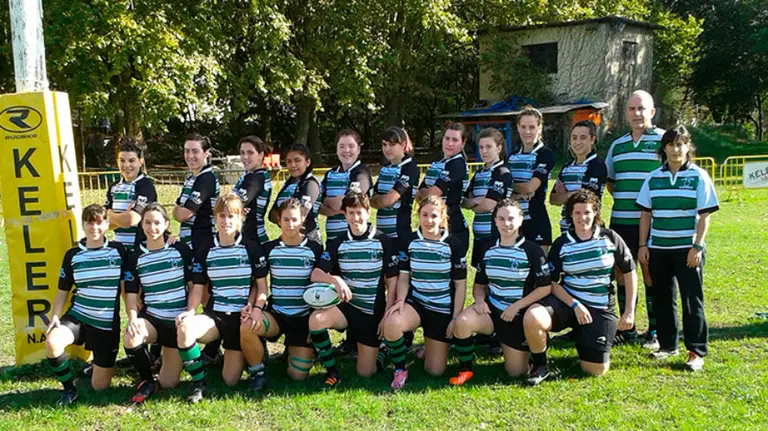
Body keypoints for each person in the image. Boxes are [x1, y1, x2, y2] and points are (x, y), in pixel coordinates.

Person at [523, 190, 637, 385]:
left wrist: (629, 312)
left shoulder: (610, 238)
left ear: (595, 214)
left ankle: (585, 336)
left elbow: (629, 272)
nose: (582, 218)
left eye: (587, 213)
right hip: (568, 302)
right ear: (570, 214)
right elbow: (552, 283)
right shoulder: (562, 244)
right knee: (533, 317)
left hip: (599, 307)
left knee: (595, 371)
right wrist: (575, 304)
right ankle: (540, 365)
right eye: (577, 213)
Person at [636, 125, 719, 372]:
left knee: (692, 300)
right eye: (671, 144)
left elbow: (704, 216)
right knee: (663, 298)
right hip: (659, 248)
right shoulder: (653, 177)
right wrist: (643, 245)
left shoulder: (699, 176)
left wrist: (698, 246)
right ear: (664, 148)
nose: (675, 149)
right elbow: (645, 214)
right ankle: (667, 345)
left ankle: (696, 351)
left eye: (680, 144)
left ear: (688, 147)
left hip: (687, 249)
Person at [448, 199, 551, 385]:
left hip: (517, 315)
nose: (506, 223)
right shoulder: (486, 248)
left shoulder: (532, 250)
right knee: (462, 322)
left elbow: (545, 287)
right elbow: (480, 284)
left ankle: (528, 344)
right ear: (495, 221)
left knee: (515, 372)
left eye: (511, 218)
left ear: (520, 220)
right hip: (492, 311)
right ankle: (465, 369)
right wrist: (479, 300)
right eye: (501, 219)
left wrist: (517, 306)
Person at [175, 195, 264, 403]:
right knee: (185, 328)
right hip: (215, 316)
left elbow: (261, 286)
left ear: (240, 217)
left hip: (241, 318)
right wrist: (190, 311)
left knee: (230, 380)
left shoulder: (251, 247)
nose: (226, 221)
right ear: (215, 217)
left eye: (231, 216)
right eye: (222, 216)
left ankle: (254, 361)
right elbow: (198, 287)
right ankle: (199, 383)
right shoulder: (206, 248)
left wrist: (254, 305)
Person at [45, 204, 134, 406]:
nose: (94, 227)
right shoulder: (73, 254)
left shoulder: (118, 250)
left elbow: (126, 288)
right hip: (79, 316)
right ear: (83, 225)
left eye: (99, 222)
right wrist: (56, 317)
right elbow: (62, 291)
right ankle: (69, 389)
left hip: (105, 324)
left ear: (107, 224)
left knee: (100, 388)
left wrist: (131, 316)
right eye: (89, 222)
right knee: (52, 342)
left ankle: (97, 367)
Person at [309, 191, 399, 388]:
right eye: (350, 212)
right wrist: (335, 279)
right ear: (344, 213)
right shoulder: (338, 242)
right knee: (316, 320)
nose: (355, 218)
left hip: (370, 311)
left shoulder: (383, 241)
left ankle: (382, 352)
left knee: (366, 373)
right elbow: (315, 274)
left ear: (368, 212)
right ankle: (332, 371)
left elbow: (392, 281)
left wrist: (387, 313)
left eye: (359, 212)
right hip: (346, 307)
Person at [380, 195, 468, 390]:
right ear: (418, 216)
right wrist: (401, 299)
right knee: (391, 324)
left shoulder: (453, 244)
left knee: (435, 371)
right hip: (417, 303)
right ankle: (400, 369)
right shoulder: (410, 241)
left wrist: (454, 318)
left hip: (441, 309)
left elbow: (461, 285)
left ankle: (429, 348)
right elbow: (404, 276)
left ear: (443, 217)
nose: (429, 220)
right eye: (424, 215)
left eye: (434, 216)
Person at [239, 198, 326, 390]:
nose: (290, 224)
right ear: (279, 220)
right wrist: (253, 307)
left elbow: (321, 288)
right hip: (277, 314)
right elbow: (259, 284)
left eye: (294, 219)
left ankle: (296, 349)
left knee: (297, 376)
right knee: (247, 325)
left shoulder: (314, 248)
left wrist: (316, 322)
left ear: (302, 219)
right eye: (286, 219)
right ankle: (258, 372)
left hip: (303, 317)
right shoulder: (269, 248)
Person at [605, 90, 665, 347]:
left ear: (652, 112)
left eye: (642, 109)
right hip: (620, 220)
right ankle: (626, 328)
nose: (636, 114)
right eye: (632, 109)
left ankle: (655, 330)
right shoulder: (617, 145)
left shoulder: (664, 140)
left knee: (650, 272)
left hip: (653, 223)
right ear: (626, 112)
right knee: (621, 272)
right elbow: (610, 182)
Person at [123, 203, 194, 404]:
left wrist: (190, 313)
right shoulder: (135, 255)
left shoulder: (180, 249)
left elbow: (193, 286)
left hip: (177, 321)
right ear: (142, 225)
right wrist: (133, 318)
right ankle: (147, 379)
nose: (152, 228)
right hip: (153, 318)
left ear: (166, 224)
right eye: (147, 222)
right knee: (131, 336)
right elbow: (130, 294)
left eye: (156, 222)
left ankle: (167, 359)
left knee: (169, 383)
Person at [507, 107, 556, 253]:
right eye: (523, 127)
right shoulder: (512, 155)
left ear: (539, 128)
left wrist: (512, 187)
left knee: (540, 272)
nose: (527, 131)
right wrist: (515, 193)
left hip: (536, 220)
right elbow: (504, 188)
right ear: (518, 127)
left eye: (532, 127)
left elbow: (530, 187)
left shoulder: (545, 154)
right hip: (513, 221)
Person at [463, 127, 512, 268]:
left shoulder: (502, 173)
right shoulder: (478, 174)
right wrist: (475, 201)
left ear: (499, 148)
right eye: (481, 147)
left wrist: (475, 205)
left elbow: (488, 205)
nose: (484, 151)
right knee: (479, 280)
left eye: (488, 147)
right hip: (478, 237)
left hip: (495, 236)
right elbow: (463, 201)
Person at [416, 122, 470, 249]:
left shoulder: (457, 164)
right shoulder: (437, 163)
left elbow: (430, 194)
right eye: (447, 138)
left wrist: (426, 192)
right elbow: (418, 195)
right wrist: (426, 193)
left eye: (455, 140)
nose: (449, 143)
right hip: (433, 225)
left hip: (453, 227)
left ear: (462, 143)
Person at [550, 120, 607, 234]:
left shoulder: (596, 165)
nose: (577, 142)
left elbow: (585, 199)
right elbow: (552, 199)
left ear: (592, 139)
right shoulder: (567, 166)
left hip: (587, 229)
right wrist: (570, 195)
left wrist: (565, 194)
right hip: (566, 228)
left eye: (583, 137)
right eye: (574, 138)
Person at [318, 129, 373, 242]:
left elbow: (350, 201)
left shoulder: (362, 172)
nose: (346, 150)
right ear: (337, 149)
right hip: (332, 239)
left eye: (351, 146)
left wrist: (327, 200)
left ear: (358, 149)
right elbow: (317, 204)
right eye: (341, 146)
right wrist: (331, 208)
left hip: (353, 239)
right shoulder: (330, 174)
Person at [371, 126, 420, 248]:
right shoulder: (385, 168)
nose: (387, 149)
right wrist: (380, 201)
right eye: (384, 144)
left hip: (399, 234)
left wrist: (380, 201)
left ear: (403, 145)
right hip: (382, 234)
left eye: (392, 144)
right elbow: (372, 199)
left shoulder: (409, 167)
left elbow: (389, 199)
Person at [105, 138, 157, 251]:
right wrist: (122, 218)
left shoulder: (146, 186)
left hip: (141, 250)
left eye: (132, 160)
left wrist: (110, 214)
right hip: (119, 250)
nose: (127, 165)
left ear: (141, 161)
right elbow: (105, 224)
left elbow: (131, 220)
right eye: (122, 161)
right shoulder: (114, 187)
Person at [173, 133, 221, 250]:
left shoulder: (206, 178)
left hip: (201, 242)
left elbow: (183, 214)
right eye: (187, 151)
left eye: (195, 151)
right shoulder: (191, 178)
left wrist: (177, 211)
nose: (190, 156)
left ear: (206, 153)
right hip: (189, 242)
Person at [269, 143, 322, 244]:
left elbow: (301, 218)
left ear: (307, 162)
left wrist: (284, 218)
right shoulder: (289, 183)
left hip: (308, 241)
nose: (292, 165)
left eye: (297, 160)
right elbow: (271, 215)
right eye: (289, 161)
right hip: (287, 240)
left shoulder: (311, 184)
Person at [232, 136, 272, 244]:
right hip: (243, 236)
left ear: (261, 155)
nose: (245, 157)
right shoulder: (248, 175)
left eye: (250, 153)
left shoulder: (258, 178)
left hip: (253, 238)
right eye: (242, 152)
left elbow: (231, 205)